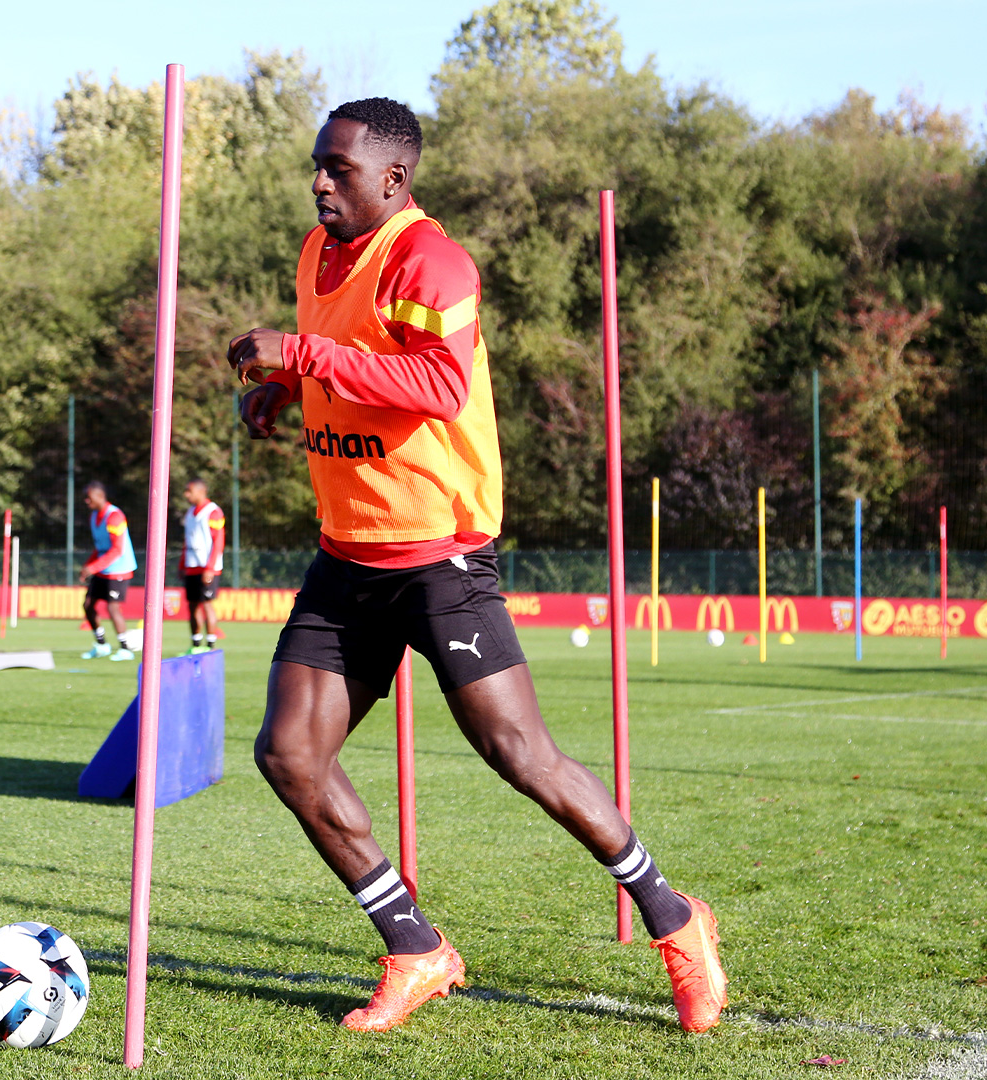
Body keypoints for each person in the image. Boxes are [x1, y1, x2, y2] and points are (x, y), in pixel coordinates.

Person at [225, 97, 726, 1034]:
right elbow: (349, 358)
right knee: (289, 756)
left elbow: (438, 383)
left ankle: (675, 917)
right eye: (318, 166)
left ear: (395, 178)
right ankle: (416, 948)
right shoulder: (315, 251)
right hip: (348, 558)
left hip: (440, 556)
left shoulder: (431, 259)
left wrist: (300, 352)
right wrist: (285, 389)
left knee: (518, 753)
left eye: (338, 169)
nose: (320, 182)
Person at [79, 481, 137, 661]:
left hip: (119, 569)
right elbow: (100, 547)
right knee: (88, 605)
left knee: (113, 608)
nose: (86, 501)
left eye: (89, 498)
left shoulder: (114, 517)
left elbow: (117, 550)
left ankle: (125, 648)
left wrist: (94, 566)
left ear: (100, 496)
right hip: (102, 569)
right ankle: (101, 644)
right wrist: (88, 566)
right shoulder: (94, 517)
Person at [179, 478, 225, 656]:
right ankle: (196, 643)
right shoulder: (190, 512)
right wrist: (183, 562)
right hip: (192, 566)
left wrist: (210, 568)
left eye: (189, 491)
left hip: (207, 568)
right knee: (192, 606)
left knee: (206, 604)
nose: (186, 495)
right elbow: (187, 540)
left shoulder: (213, 512)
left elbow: (218, 541)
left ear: (201, 491)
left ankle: (211, 645)